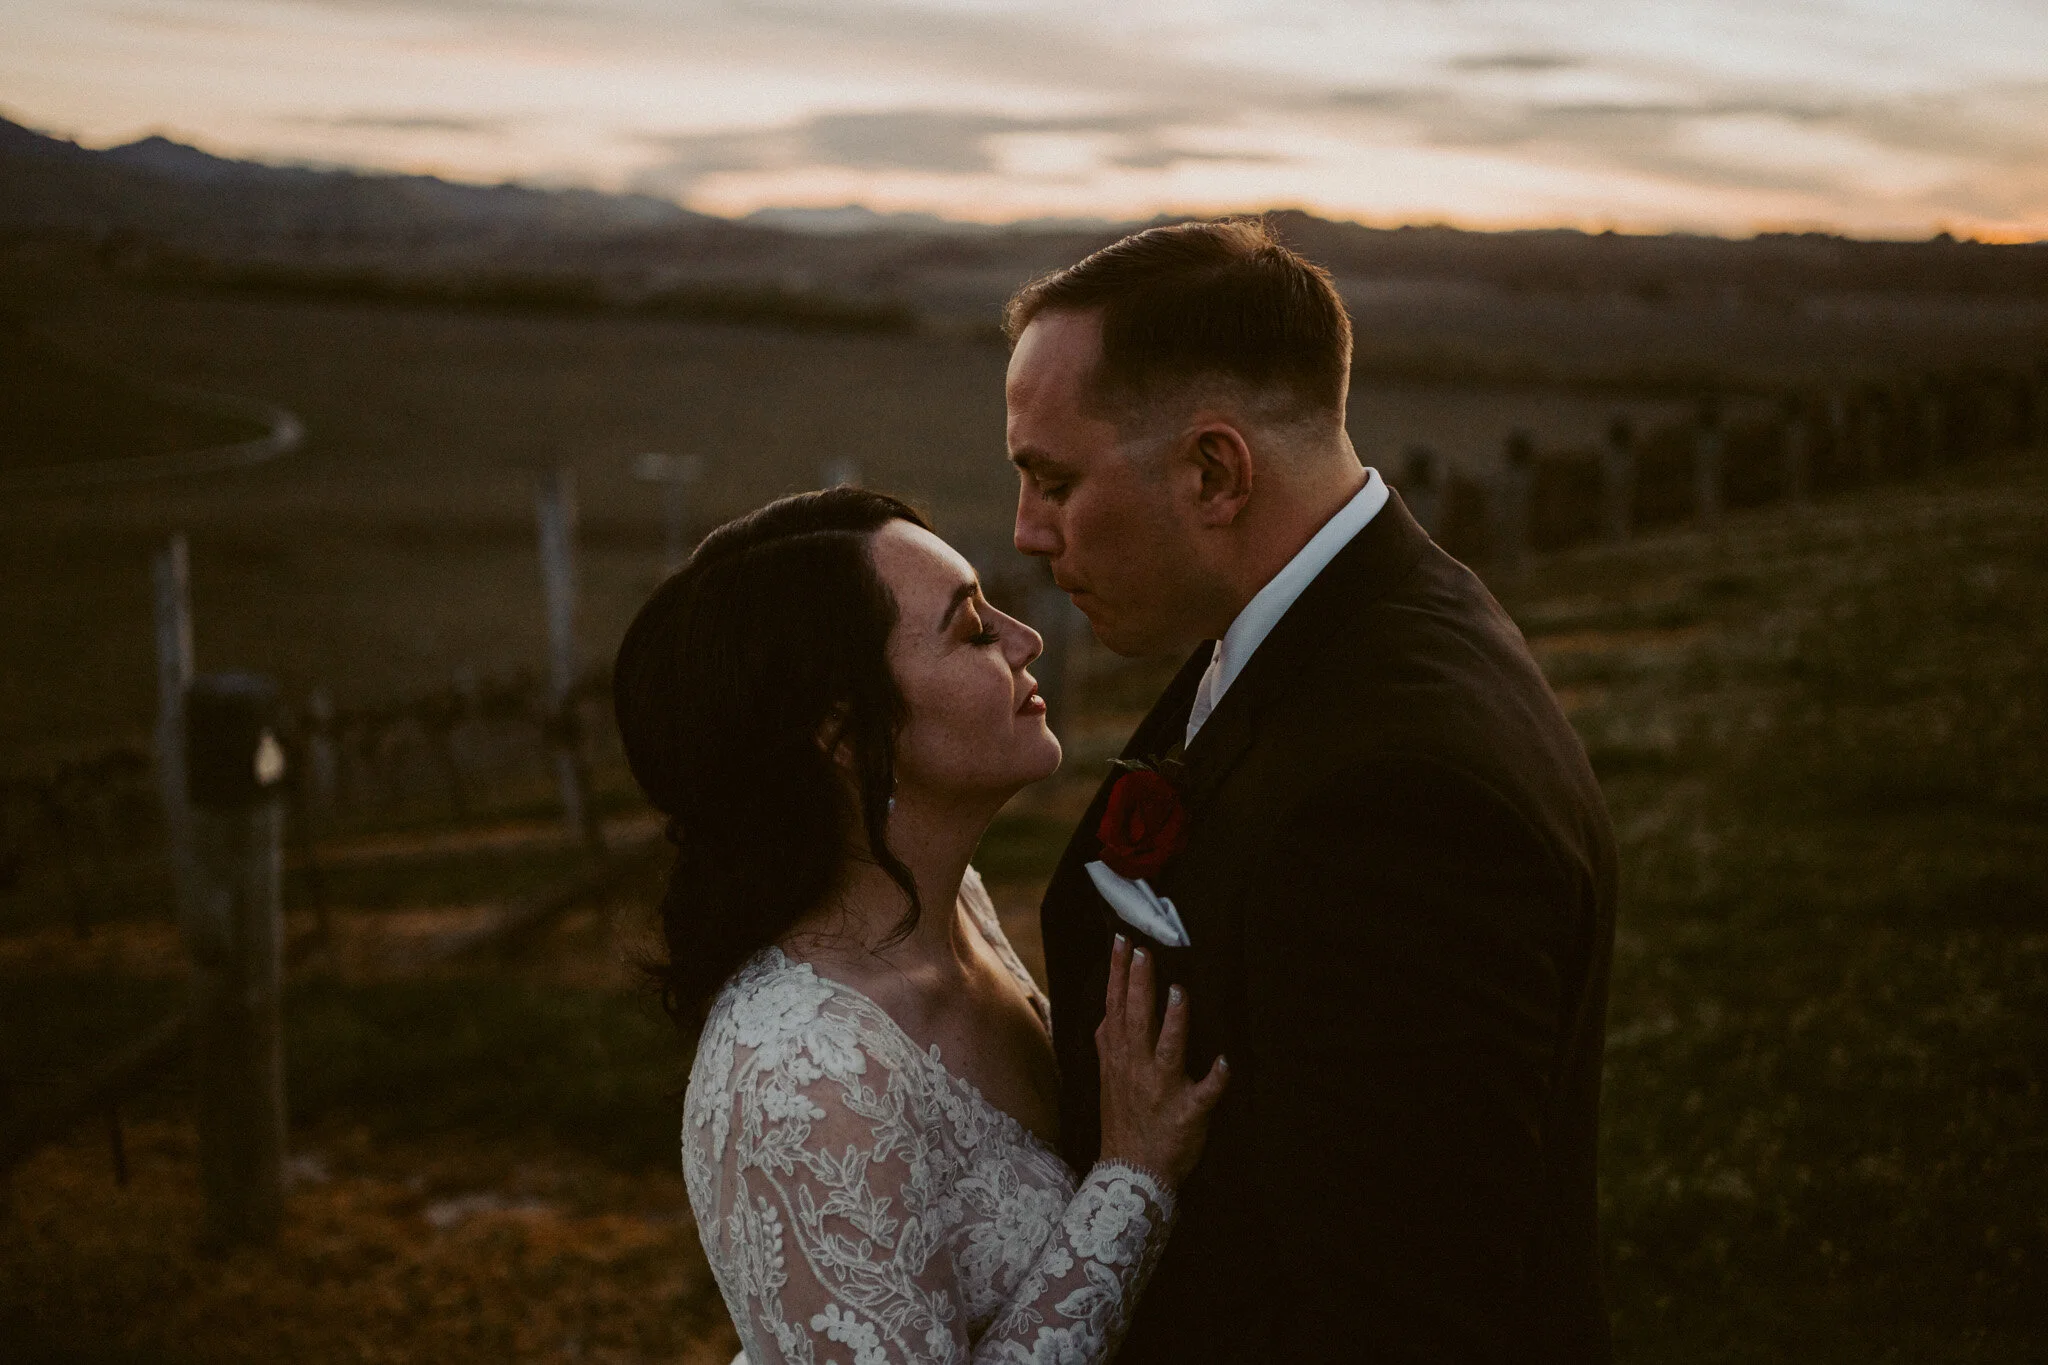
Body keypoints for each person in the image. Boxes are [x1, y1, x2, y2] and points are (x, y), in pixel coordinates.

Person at [1007, 219, 1618, 1362]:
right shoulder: (1321, 623)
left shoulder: (1400, 801)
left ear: (1211, 471)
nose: (1027, 532)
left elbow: (1401, 1312)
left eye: (1052, 480)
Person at [612, 488, 1228, 1365]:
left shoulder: (956, 904)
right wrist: (1133, 1182)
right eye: (973, 631)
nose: (1027, 639)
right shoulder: (802, 1076)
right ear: (845, 735)